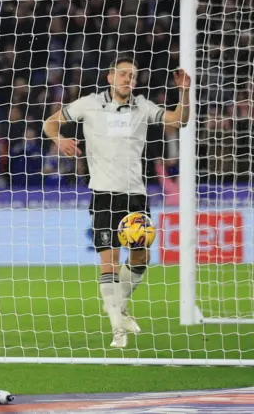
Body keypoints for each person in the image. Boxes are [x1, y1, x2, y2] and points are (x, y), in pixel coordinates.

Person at [43, 55, 190, 348]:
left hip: (136, 194)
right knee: (108, 261)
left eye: (133, 76)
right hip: (104, 194)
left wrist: (184, 92)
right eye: (123, 74)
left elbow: (178, 120)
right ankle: (117, 330)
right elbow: (50, 123)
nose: (128, 79)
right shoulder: (89, 104)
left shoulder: (143, 107)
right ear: (110, 77)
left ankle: (119, 307)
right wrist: (59, 140)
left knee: (141, 257)